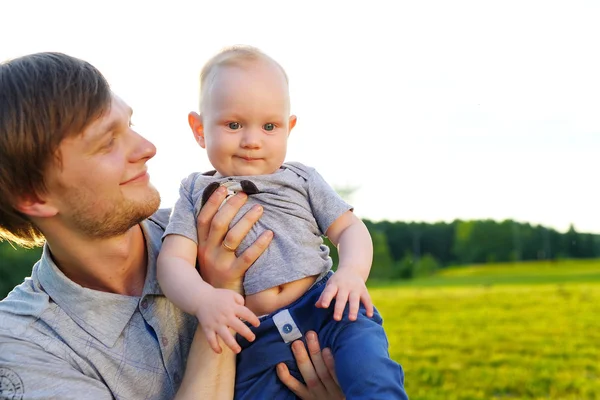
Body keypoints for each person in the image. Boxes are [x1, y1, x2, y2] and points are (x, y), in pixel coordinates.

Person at [0, 51, 344, 399]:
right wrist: (224, 289)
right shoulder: (22, 347)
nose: (148, 148)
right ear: (34, 195)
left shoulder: (222, 222)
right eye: (107, 142)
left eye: (130, 126)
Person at [157, 46, 408, 399]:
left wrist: (351, 273)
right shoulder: (195, 191)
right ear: (199, 129)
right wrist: (203, 300)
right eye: (233, 124)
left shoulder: (301, 179)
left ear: (289, 128)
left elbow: (350, 228)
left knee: (370, 376)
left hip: (327, 309)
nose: (252, 140)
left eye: (270, 126)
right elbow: (173, 262)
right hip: (255, 336)